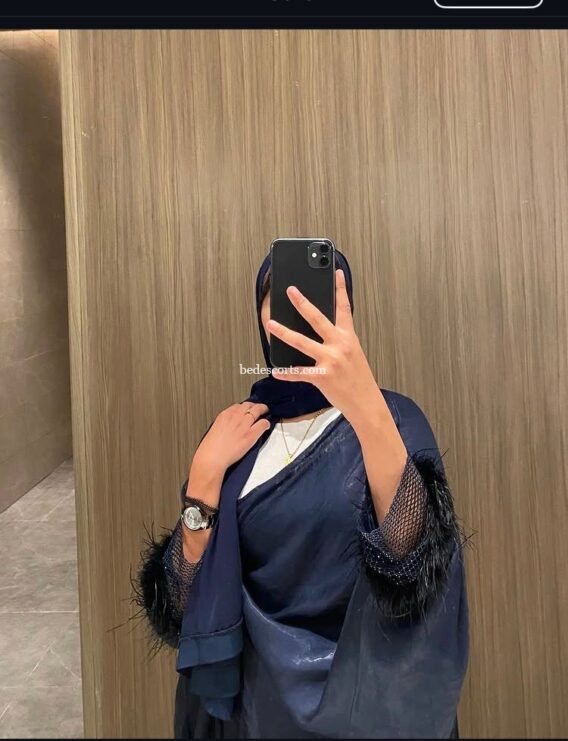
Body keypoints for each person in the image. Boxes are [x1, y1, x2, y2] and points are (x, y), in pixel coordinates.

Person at [132, 249, 469, 739]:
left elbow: (414, 571)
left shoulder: (391, 419)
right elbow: (183, 610)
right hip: (250, 714)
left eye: (316, 295)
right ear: (261, 314)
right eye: (279, 296)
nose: (298, 308)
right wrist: (202, 481)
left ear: (345, 312)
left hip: (365, 709)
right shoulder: (237, 430)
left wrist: (364, 402)